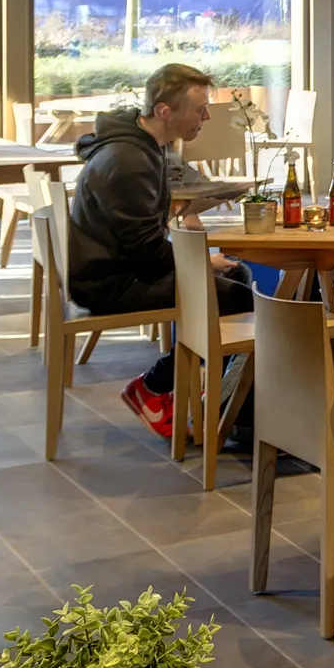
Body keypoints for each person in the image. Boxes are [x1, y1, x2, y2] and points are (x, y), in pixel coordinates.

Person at [66, 60, 252, 439]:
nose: (206, 118)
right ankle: (155, 388)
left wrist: (195, 241)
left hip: (115, 270)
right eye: (200, 110)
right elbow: (146, 252)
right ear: (165, 111)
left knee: (236, 277)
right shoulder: (129, 160)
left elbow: (142, 234)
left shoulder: (139, 146)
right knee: (236, 298)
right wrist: (201, 262)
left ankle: (204, 395)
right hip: (110, 283)